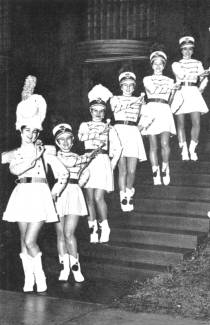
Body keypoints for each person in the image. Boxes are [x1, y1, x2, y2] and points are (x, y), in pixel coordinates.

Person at [1, 75, 68, 293]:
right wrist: (26, 157)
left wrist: (54, 193)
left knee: (31, 240)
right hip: (22, 193)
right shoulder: (17, 153)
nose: (31, 134)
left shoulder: (45, 150)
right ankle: (29, 279)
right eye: (27, 130)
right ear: (20, 130)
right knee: (23, 239)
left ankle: (41, 276)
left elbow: (63, 173)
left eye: (35, 130)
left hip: (40, 194)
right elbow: (15, 169)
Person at [78, 84, 122, 244]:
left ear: (105, 112)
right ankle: (93, 229)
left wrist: (111, 165)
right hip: (88, 162)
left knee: (98, 197)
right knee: (89, 198)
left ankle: (105, 227)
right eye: (95, 110)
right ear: (90, 111)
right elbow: (82, 137)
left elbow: (117, 148)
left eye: (101, 110)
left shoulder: (110, 128)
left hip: (102, 162)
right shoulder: (84, 125)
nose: (98, 113)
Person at [52, 122, 95, 282]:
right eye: (61, 139)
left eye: (68, 139)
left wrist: (78, 184)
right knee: (60, 234)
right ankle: (64, 268)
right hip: (58, 194)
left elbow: (86, 173)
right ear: (56, 142)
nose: (65, 142)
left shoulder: (80, 158)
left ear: (73, 140)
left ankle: (76, 268)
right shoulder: (53, 157)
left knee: (69, 233)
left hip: (74, 194)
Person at [110, 72, 147, 211]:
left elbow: (147, 115)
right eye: (125, 85)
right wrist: (137, 101)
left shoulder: (140, 100)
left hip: (133, 133)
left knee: (132, 170)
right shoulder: (115, 99)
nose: (128, 88)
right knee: (122, 170)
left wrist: (141, 126)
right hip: (119, 132)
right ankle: (122, 197)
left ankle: (129, 192)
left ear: (134, 87)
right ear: (121, 86)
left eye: (131, 86)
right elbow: (116, 108)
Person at [142, 51, 177, 186]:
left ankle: (165, 168)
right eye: (155, 64)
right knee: (153, 145)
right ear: (152, 65)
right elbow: (153, 90)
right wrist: (168, 87)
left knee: (164, 144)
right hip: (151, 110)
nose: (157, 66)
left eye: (160, 64)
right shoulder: (147, 79)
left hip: (164, 110)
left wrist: (173, 91)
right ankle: (155, 171)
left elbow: (170, 100)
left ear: (164, 65)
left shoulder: (170, 80)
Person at [172, 36, 209, 161]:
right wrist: (200, 74)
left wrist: (200, 89)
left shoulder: (198, 63)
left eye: (189, 49)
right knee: (180, 123)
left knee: (196, 122)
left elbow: (204, 79)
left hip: (193, 92)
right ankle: (183, 150)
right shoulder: (176, 64)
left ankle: (192, 149)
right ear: (181, 50)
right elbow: (182, 76)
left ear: (193, 51)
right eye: (184, 49)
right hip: (181, 92)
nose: (187, 52)